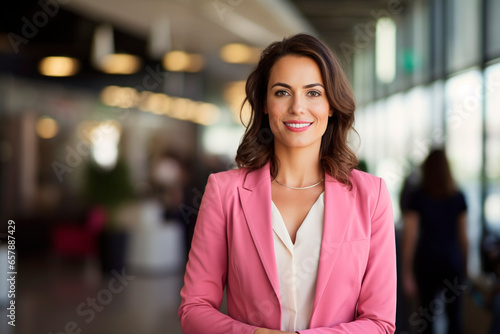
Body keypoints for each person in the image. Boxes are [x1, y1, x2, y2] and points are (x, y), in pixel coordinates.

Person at [178, 33, 396, 334]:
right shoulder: (224, 192)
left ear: (332, 105)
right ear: (265, 104)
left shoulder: (371, 196)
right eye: (282, 92)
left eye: (313, 93)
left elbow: (380, 322)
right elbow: (194, 309)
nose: (297, 107)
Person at [402, 149, 468, 334]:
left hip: (427, 262)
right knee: (455, 319)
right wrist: (466, 266)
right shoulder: (458, 197)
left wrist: (407, 271)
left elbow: (410, 237)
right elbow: (464, 237)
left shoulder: (417, 197)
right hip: (451, 261)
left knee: (426, 319)